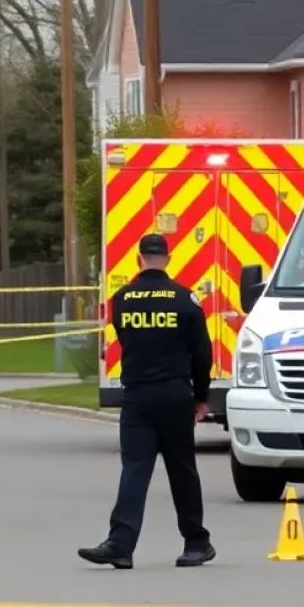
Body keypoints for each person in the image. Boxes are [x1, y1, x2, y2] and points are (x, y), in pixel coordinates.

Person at [78, 233, 214, 569]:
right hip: (175, 394)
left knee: (135, 470)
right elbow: (202, 354)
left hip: (137, 396)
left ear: (139, 259)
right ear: (167, 259)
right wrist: (201, 397)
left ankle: (120, 543)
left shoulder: (122, 299)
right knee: (182, 469)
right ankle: (196, 543)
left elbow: (126, 340)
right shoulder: (186, 300)